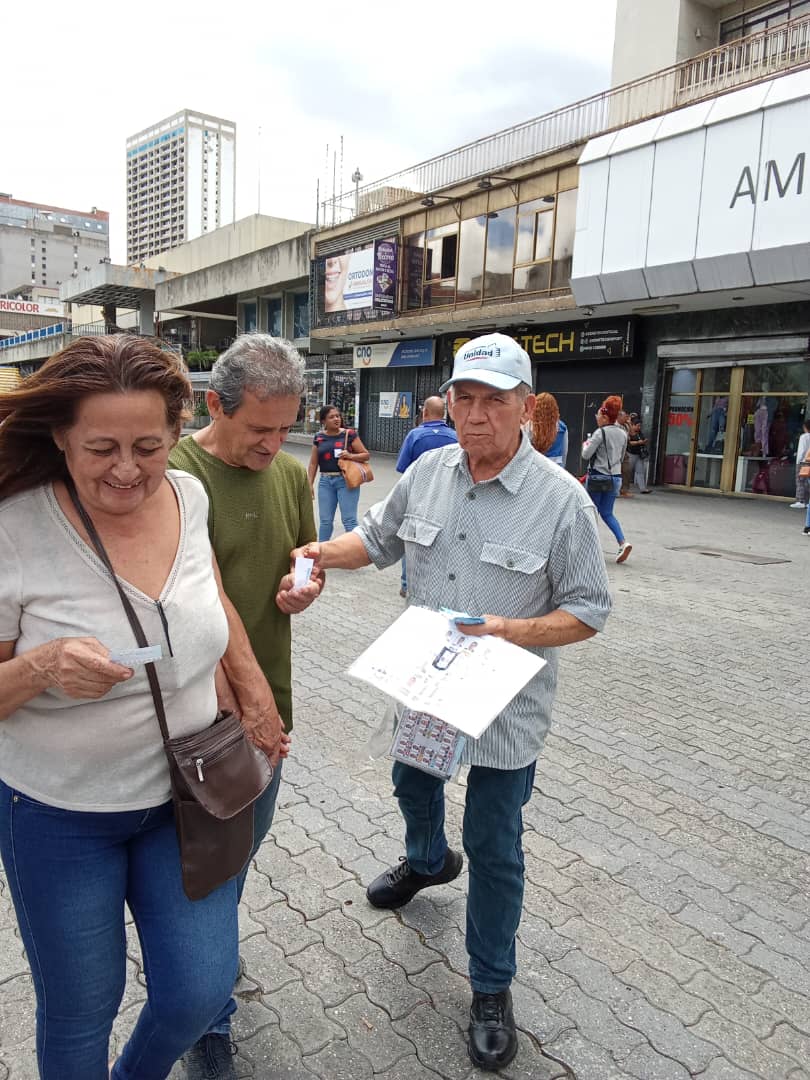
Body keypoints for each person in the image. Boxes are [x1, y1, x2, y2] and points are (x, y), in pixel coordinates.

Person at [292, 333, 611, 1072]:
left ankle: (492, 987)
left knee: (496, 847)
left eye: (492, 402)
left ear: (525, 409)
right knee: (410, 782)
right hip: (428, 684)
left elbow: (589, 612)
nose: (474, 415)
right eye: (463, 399)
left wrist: (508, 629)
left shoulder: (561, 502)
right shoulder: (430, 470)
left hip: (507, 704)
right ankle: (428, 861)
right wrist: (309, 555)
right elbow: (376, 540)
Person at [0, 335, 281, 1080]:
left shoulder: (188, 496)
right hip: (59, 817)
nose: (127, 470)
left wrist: (251, 687)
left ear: (176, 435)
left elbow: (209, 594)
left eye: (147, 446)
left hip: (186, 800)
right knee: (83, 1007)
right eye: (101, 448)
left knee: (198, 989)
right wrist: (40, 666)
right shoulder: (14, 527)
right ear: (61, 436)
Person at [168, 334, 322, 1079]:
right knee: (209, 869)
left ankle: (206, 962)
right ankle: (207, 1012)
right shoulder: (172, 474)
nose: (272, 443)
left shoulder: (290, 476)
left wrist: (303, 587)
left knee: (240, 858)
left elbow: (302, 559)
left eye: (284, 428)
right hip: (197, 721)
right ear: (213, 405)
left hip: (271, 710)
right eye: (257, 428)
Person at [395, 395, 457, 597]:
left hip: (418, 498)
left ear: (425, 413)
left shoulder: (415, 435)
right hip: (449, 498)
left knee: (412, 537)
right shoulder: (456, 436)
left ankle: (407, 584)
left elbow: (403, 469)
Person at [308, 404, 371, 542]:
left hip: (346, 481)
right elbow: (313, 463)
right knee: (325, 521)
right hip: (325, 482)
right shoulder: (318, 437)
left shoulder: (349, 434)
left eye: (337, 416)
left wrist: (350, 455)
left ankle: (354, 552)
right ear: (323, 421)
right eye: (331, 417)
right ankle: (321, 550)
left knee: (349, 520)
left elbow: (366, 455)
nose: (336, 419)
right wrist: (310, 484)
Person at [582, 395, 632, 564]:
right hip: (615, 478)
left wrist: (586, 443)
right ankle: (622, 542)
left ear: (604, 417)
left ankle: (589, 548)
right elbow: (622, 454)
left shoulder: (599, 433)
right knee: (607, 512)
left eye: (598, 415)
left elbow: (585, 454)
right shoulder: (623, 433)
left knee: (591, 512)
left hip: (597, 477)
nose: (596, 418)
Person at [527, 391, 568, 467]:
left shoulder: (529, 425)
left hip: (535, 467)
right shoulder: (562, 427)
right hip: (556, 469)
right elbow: (564, 453)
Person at [626, 412, 652, 493]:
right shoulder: (629, 432)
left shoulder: (639, 433)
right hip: (631, 454)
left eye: (640, 426)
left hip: (639, 454)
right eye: (637, 425)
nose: (639, 427)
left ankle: (643, 488)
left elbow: (643, 439)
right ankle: (624, 488)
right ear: (633, 425)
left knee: (640, 471)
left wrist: (643, 442)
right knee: (627, 471)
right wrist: (638, 442)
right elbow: (629, 443)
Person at [790, 418, 810, 509]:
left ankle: (800, 500)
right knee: (807, 482)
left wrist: (798, 461)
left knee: (800, 481)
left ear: (805, 427)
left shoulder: (804, 437)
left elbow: (801, 451)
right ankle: (806, 500)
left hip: (803, 462)